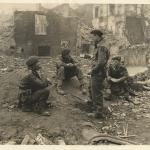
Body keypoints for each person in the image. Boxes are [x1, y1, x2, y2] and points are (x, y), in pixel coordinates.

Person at [89, 29, 110, 118]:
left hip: (98, 72)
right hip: (98, 71)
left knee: (96, 91)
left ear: (97, 36)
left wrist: (93, 70)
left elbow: (101, 62)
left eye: (93, 36)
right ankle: (94, 107)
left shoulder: (101, 46)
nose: (92, 38)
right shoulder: (100, 45)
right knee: (91, 88)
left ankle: (98, 113)